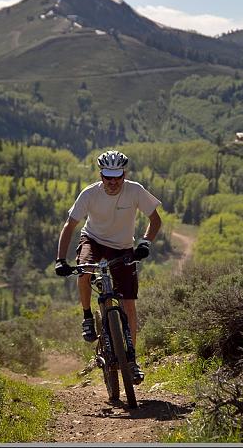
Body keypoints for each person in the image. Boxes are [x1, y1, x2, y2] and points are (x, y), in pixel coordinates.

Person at [55, 150, 161, 383]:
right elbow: (69, 225)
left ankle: (131, 360)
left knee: (129, 305)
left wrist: (145, 243)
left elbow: (155, 220)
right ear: (101, 175)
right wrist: (60, 260)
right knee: (84, 272)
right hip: (93, 240)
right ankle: (86, 317)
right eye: (107, 176)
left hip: (123, 246)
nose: (113, 182)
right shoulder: (90, 193)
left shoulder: (135, 190)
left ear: (125, 174)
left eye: (117, 176)